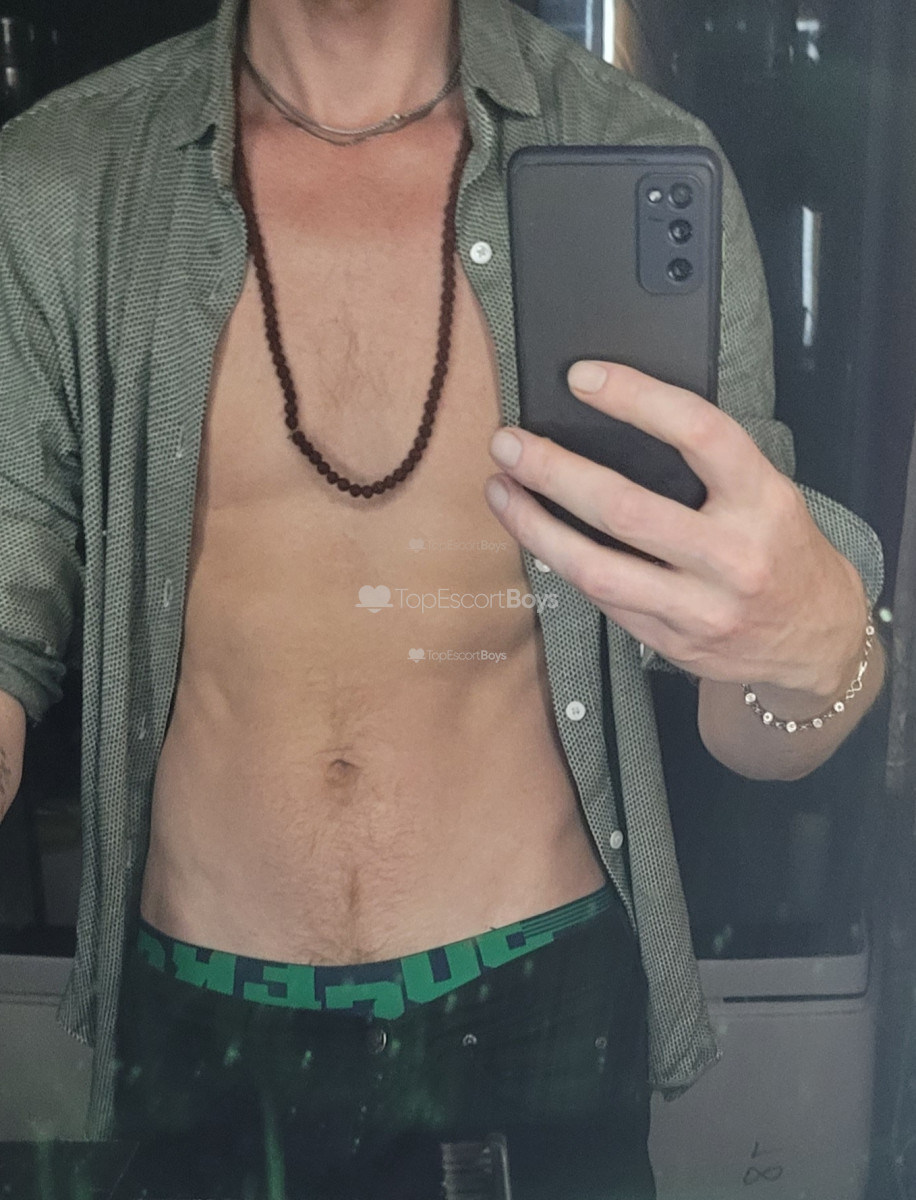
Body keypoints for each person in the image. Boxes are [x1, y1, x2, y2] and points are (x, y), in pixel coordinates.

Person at [0, 0, 886, 1195]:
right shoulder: (59, 181)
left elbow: (751, 712)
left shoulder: (630, 155)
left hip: (535, 1008)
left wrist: (818, 648)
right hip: (203, 1020)